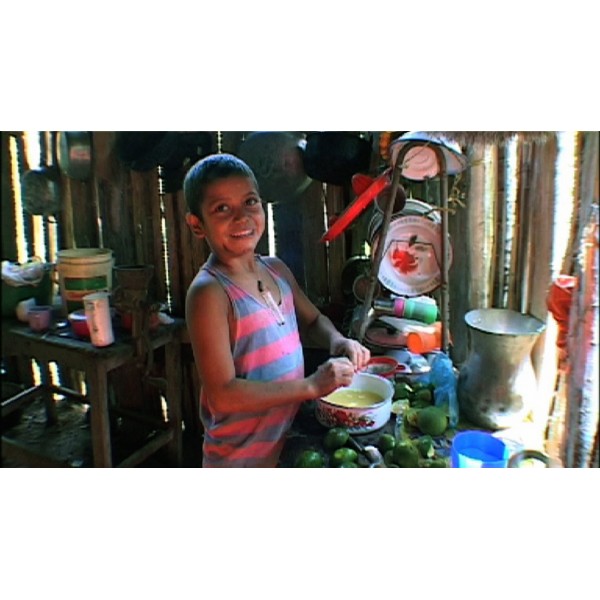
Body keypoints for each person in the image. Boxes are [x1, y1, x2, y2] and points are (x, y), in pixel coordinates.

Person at [183, 153, 371, 467]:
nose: (241, 217)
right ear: (197, 224)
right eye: (222, 208)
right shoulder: (209, 293)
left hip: (282, 443)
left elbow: (312, 321)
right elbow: (223, 395)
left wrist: (337, 341)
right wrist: (311, 386)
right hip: (239, 460)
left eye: (250, 202)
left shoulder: (276, 270)